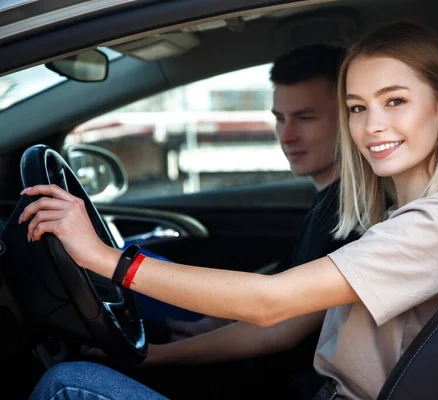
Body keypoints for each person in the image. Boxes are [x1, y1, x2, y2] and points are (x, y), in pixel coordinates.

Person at [25, 19, 438, 400]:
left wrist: (105, 259)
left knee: (66, 384)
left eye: (394, 101)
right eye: (357, 107)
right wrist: (154, 356)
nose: (373, 125)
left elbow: (270, 305)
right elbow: (285, 315)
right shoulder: (403, 216)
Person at [133, 44, 362, 341]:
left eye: (305, 118)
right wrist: (222, 319)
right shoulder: (329, 203)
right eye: (280, 118)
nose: (286, 136)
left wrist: (156, 357)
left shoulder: (355, 214)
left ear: (350, 118)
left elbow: (286, 327)